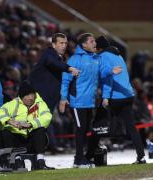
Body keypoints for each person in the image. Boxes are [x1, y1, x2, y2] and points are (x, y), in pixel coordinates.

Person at [59, 33, 121, 168]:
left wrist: (111, 71)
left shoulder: (96, 59)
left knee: (86, 129)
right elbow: (65, 81)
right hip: (77, 101)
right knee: (80, 129)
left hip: (90, 102)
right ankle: (78, 160)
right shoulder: (74, 60)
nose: (95, 44)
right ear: (84, 45)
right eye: (92, 41)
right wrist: (63, 98)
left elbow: (103, 74)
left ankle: (80, 159)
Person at [87, 36, 146, 164]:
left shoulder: (103, 57)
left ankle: (88, 157)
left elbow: (108, 78)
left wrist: (105, 97)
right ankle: (141, 156)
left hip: (115, 96)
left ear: (100, 48)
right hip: (128, 95)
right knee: (132, 127)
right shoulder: (118, 55)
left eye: (96, 47)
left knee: (98, 125)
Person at [0, 81, 54, 170]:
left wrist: (30, 124)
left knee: (40, 130)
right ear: (21, 96)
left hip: (33, 142)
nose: (31, 98)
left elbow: (47, 116)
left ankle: (41, 161)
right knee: (6, 132)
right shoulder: (13, 104)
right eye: (28, 95)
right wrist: (9, 121)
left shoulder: (40, 104)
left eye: (32, 95)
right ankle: (17, 161)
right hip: (17, 141)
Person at [28, 33, 79, 113]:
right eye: (61, 43)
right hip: (38, 98)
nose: (64, 46)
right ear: (54, 45)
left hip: (49, 100)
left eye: (65, 43)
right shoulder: (48, 53)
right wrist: (69, 68)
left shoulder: (61, 59)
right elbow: (53, 62)